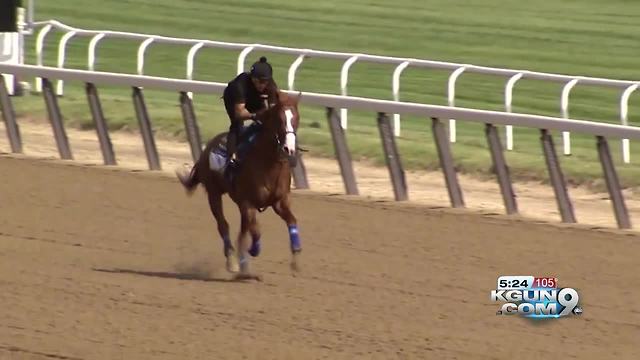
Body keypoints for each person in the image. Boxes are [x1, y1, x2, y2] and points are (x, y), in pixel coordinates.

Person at [222, 56, 279, 169]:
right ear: (253, 78)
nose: (263, 85)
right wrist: (256, 115)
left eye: (265, 82)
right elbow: (240, 113)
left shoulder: (271, 85)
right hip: (233, 98)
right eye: (260, 82)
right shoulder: (239, 85)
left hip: (253, 99)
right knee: (237, 124)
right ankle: (231, 157)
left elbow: (273, 109)